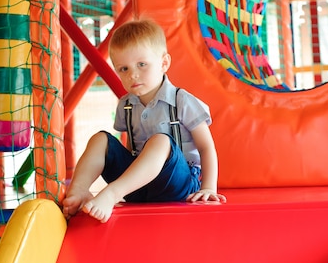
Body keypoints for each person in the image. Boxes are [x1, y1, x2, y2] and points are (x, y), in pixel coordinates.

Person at [62, 19, 226, 223]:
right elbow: (130, 147)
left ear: (164, 63)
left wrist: (208, 187)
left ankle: (111, 194)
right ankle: (79, 191)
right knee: (100, 138)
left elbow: (206, 147)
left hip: (178, 183)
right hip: (138, 187)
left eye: (142, 65)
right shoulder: (126, 105)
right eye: (124, 69)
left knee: (161, 140)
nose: (133, 75)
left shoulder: (182, 101)